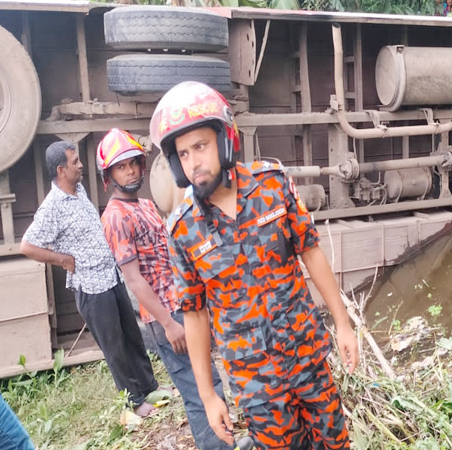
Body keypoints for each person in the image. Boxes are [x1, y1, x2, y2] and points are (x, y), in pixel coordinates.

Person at [149, 81, 360, 449]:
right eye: (183, 155)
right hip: (255, 380)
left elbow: (310, 252)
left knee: (335, 444)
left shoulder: (272, 185)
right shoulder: (183, 229)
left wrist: (343, 324)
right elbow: (195, 314)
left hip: (307, 356)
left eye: (200, 146)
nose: (194, 162)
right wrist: (209, 396)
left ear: (225, 139)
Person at [97, 129, 234, 450]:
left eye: (133, 163)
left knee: (209, 380)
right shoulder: (115, 218)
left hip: (182, 304)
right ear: (109, 175)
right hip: (166, 316)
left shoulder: (144, 204)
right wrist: (169, 324)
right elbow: (133, 279)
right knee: (198, 388)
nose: (129, 171)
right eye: (121, 167)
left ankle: (224, 442)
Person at [20, 141, 160, 418]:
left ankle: (150, 387)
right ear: (61, 170)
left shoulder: (79, 190)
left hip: (111, 276)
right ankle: (135, 401)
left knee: (131, 335)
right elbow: (27, 246)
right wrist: (63, 260)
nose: (81, 165)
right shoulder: (52, 207)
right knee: (114, 346)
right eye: (75, 162)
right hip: (91, 287)